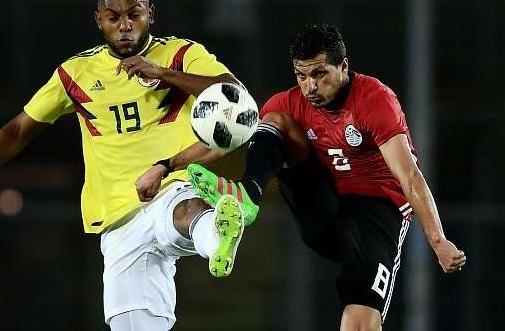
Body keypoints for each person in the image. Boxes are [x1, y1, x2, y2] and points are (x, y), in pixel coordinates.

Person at [0, 0, 245, 331]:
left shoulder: (180, 53)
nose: (124, 25)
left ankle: (217, 233)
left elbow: (233, 96)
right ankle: (215, 230)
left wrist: (165, 74)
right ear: (99, 20)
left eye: (134, 15)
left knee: (187, 206)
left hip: (169, 184)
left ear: (150, 14)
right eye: (114, 17)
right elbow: (18, 131)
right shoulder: (75, 74)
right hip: (118, 219)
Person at [179, 23, 466, 330]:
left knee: (359, 320)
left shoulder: (374, 99)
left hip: (376, 211)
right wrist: (168, 165)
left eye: (319, 74)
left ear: (344, 66)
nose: (310, 87)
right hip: (323, 205)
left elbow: (408, 175)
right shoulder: (289, 102)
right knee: (275, 122)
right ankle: (248, 195)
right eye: (301, 76)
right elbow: (230, 139)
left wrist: (438, 241)